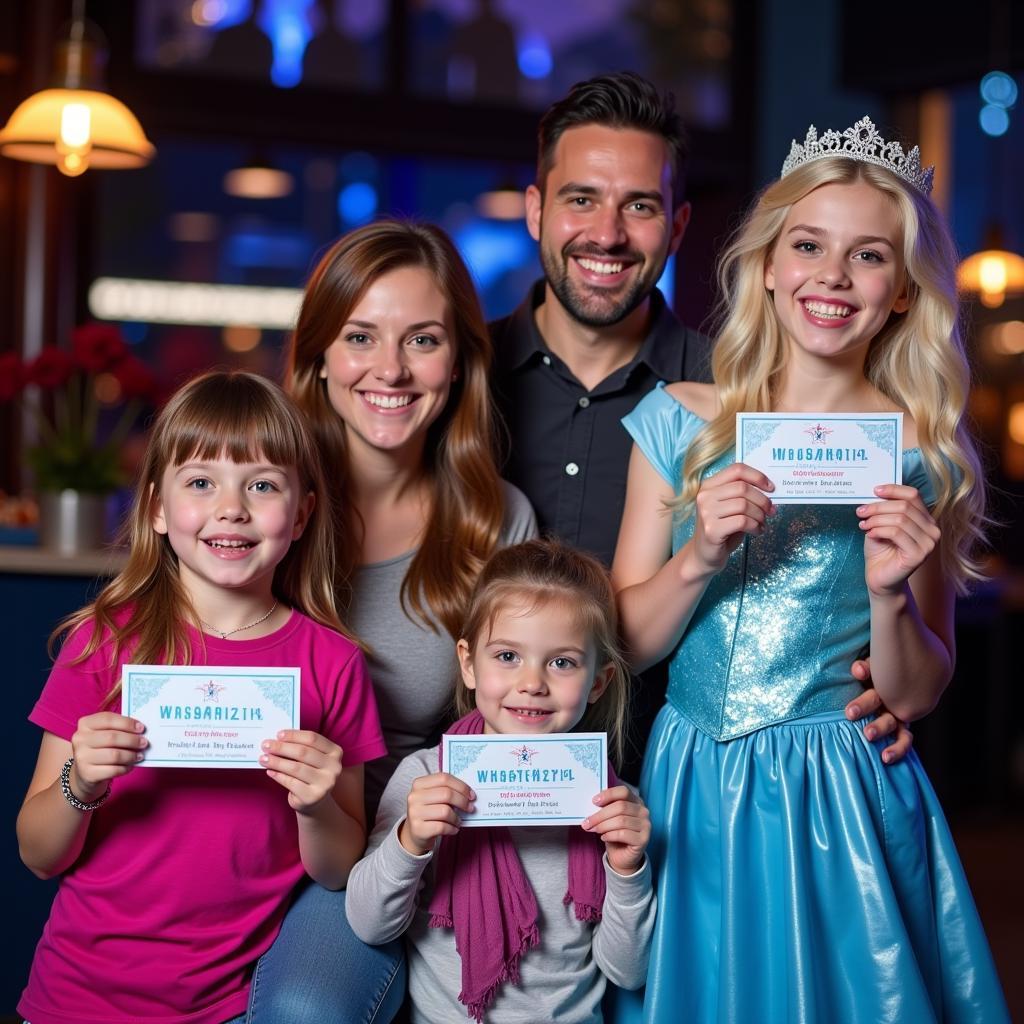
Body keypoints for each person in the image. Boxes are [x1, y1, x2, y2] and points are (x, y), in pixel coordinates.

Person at [609, 117, 1010, 1022]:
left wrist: (889, 592)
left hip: (835, 794)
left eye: (868, 256)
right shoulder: (680, 422)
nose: (832, 276)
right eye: (808, 246)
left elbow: (915, 692)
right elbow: (626, 644)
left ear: (904, 291)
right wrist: (699, 554)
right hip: (690, 779)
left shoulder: (922, 454)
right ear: (768, 264)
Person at [490, 71, 912, 774]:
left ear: (678, 225)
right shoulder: (452, 382)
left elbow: (836, 610)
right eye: (580, 200)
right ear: (536, 210)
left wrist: (877, 691)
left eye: (641, 206)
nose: (607, 233)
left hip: (668, 789)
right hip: (483, 786)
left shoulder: (742, 404)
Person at [16, 371, 387, 1024]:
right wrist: (82, 780)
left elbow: (336, 873)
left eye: (263, 485)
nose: (232, 508)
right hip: (75, 996)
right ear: (157, 507)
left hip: (228, 1009)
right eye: (201, 482)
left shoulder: (333, 663)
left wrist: (315, 802)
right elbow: (37, 853)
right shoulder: (101, 642)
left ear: (300, 513)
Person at [248, 220, 536, 1022]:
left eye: (423, 339)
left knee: (306, 1007)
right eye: (361, 336)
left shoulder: (495, 519)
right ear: (318, 355)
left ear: (460, 362)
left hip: (386, 847)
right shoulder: (254, 506)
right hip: (238, 830)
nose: (391, 369)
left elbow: (526, 718)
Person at [346, 538, 654, 1023]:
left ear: (598, 681)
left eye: (562, 662)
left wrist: (627, 868)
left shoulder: (612, 805)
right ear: (469, 663)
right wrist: (410, 842)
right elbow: (368, 925)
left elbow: (627, 972)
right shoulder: (426, 779)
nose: (532, 682)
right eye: (508, 656)